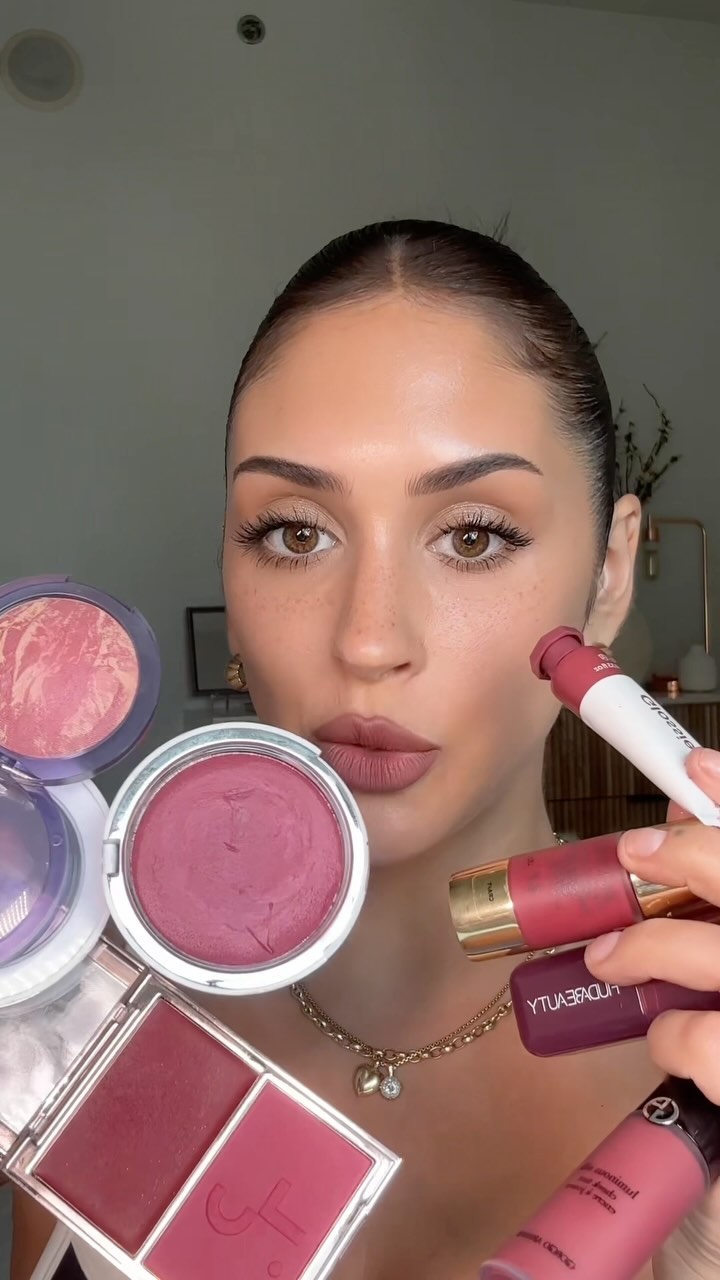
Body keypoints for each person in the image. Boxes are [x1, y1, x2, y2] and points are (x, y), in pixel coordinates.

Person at [12, 220, 720, 1280]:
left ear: (610, 572)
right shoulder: (68, 1024)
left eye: (474, 535)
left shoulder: (696, 1056)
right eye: (296, 532)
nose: (370, 639)